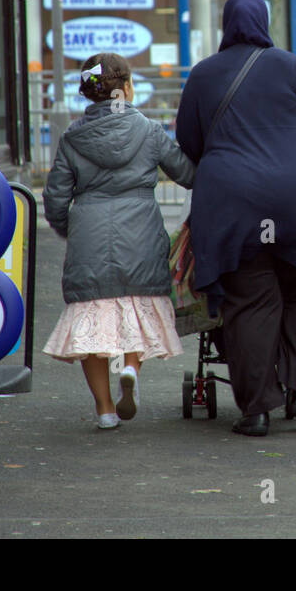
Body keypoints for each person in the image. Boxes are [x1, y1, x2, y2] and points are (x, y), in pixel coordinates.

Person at [174, 0, 296, 438]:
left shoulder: (204, 74)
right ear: (264, 22)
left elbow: (188, 143)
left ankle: (257, 409)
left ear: (227, 24)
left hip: (234, 207)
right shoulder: (291, 66)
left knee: (249, 303)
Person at [43, 52, 196, 430]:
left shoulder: (71, 138)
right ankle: (129, 367)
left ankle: (105, 409)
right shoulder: (149, 130)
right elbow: (186, 172)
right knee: (136, 306)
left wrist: (69, 229)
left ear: (88, 94)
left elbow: (55, 198)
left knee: (92, 320)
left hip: (89, 235)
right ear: (126, 88)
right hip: (140, 231)